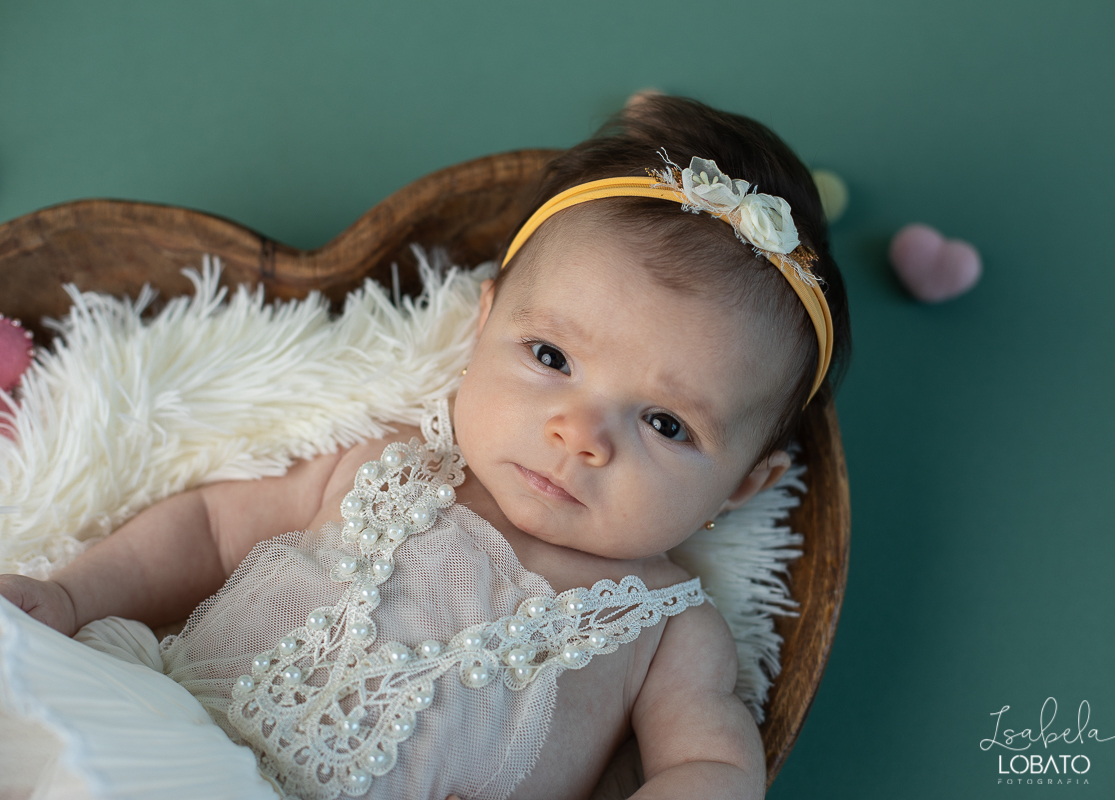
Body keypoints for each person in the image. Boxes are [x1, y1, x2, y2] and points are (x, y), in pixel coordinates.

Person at [0, 95, 851, 800]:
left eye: (666, 424)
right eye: (551, 358)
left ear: (745, 485)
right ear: (482, 326)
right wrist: (73, 596)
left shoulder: (670, 629)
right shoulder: (387, 459)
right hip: (166, 751)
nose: (579, 436)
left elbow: (709, 767)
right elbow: (208, 531)